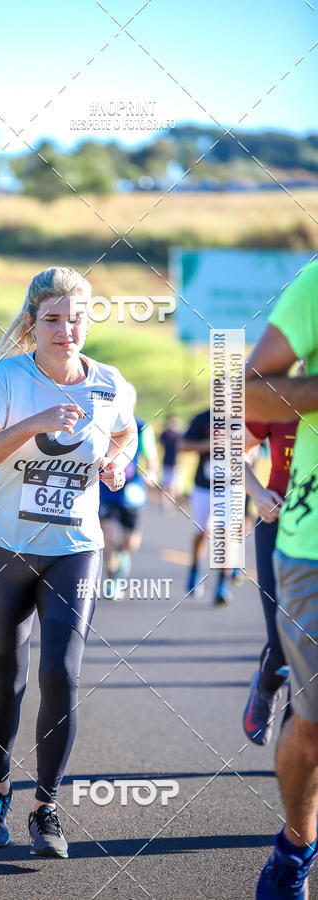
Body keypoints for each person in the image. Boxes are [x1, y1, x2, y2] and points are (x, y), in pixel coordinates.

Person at [0, 266, 137, 858]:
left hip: (74, 550)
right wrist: (34, 424)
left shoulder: (110, 383)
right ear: (33, 324)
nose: (66, 330)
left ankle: (46, 807)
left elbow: (126, 434)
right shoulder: (5, 378)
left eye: (76, 318)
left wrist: (119, 462)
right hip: (3, 547)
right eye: (53, 319)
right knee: (5, 679)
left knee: (62, 674)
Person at [244, 261, 318, 898]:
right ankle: (295, 849)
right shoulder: (314, 285)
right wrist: (256, 493)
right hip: (297, 527)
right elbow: (238, 418)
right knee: (282, 645)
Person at [242, 419, 298, 748]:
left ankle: (295, 746)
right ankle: (264, 688)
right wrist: (258, 493)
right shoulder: (280, 401)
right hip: (277, 525)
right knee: (283, 643)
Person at [180, 408, 238, 605]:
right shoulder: (203, 417)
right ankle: (195, 569)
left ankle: (223, 586)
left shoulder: (244, 417)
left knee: (226, 534)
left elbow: (260, 449)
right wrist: (209, 445)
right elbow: (184, 445)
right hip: (204, 486)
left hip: (230, 486)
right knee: (202, 531)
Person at [99, 409, 159, 597]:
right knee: (109, 536)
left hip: (132, 491)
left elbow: (151, 456)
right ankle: (113, 579)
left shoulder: (142, 427)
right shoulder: (102, 421)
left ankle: (122, 555)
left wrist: (151, 472)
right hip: (106, 490)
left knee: (130, 542)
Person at [159, 414, 182, 509]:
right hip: (167, 462)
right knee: (166, 484)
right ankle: (166, 503)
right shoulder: (165, 434)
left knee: (173, 484)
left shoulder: (178, 435)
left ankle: (170, 502)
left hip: (175, 462)